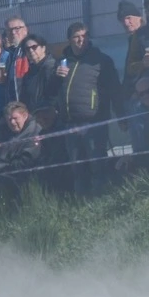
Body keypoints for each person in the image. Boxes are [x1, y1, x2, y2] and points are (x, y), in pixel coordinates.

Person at [55, 22, 124, 195]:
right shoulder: (62, 62)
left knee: (97, 165)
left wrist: (121, 114)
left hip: (94, 121)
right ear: (69, 40)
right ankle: (81, 203)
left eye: (84, 36)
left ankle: (101, 201)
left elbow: (115, 89)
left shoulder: (100, 60)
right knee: (77, 168)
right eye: (76, 37)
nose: (81, 40)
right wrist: (56, 77)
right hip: (69, 122)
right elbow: (52, 91)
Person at [17, 33, 61, 128]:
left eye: (34, 47)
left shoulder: (53, 67)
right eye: (27, 49)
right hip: (34, 119)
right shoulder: (29, 73)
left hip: (51, 119)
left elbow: (54, 94)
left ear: (43, 48)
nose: (31, 51)